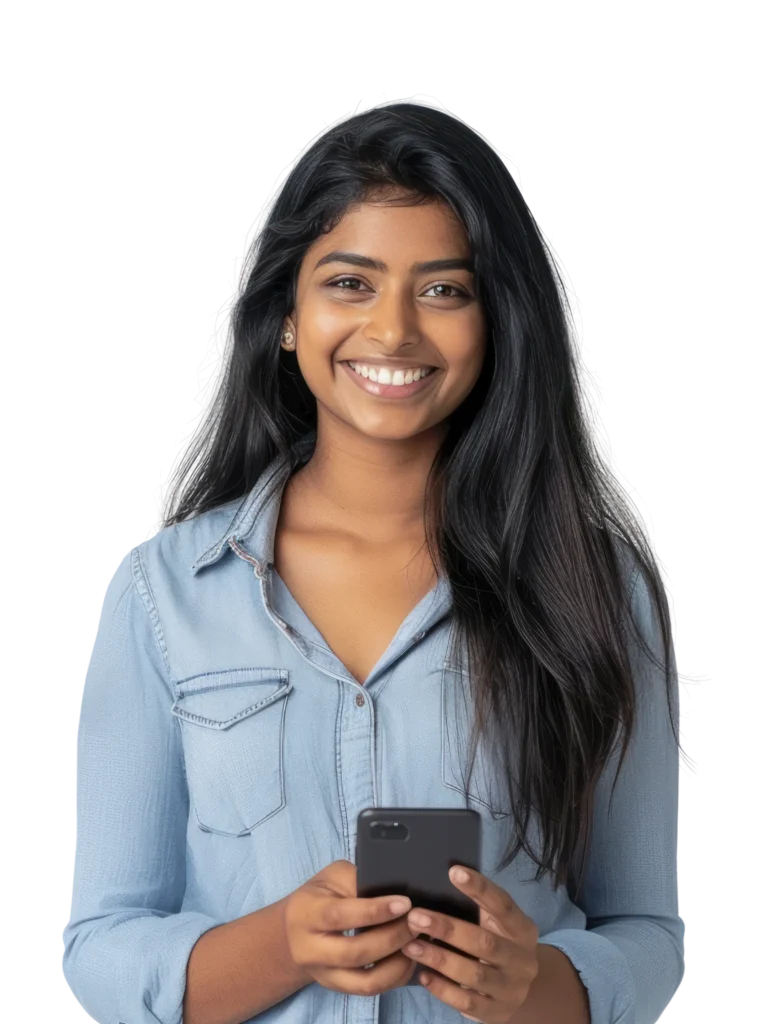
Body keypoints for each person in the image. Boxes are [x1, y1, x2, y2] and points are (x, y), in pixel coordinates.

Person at [62, 95, 687, 1024]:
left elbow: (650, 937)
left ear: (494, 322)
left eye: (444, 289)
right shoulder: (165, 595)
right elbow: (99, 951)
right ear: (285, 316)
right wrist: (282, 944)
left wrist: (537, 987)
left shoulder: (593, 588)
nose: (394, 332)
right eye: (350, 283)